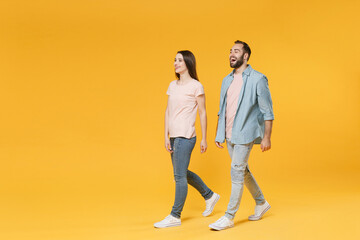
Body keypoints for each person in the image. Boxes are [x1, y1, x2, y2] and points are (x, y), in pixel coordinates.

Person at [209, 41, 274, 231]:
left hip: (246, 133)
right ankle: (261, 202)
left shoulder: (258, 79)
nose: (231, 54)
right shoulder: (226, 80)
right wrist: (218, 133)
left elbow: (267, 111)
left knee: (236, 171)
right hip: (229, 133)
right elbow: (222, 109)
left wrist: (267, 137)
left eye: (236, 51)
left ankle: (229, 216)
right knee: (242, 170)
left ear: (245, 56)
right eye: (230, 51)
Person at [154, 50, 220, 228]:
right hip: (174, 136)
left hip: (186, 135)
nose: (175, 63)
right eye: (174, 60)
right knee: (181, 173)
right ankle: (210, 195)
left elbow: (203, 113)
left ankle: (175, 215)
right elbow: (168, 111)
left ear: (188, 63)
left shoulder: (196, 86)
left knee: (179, 176)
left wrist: (204, 138)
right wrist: (166, 135)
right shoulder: (172, 85)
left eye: (180, 60)